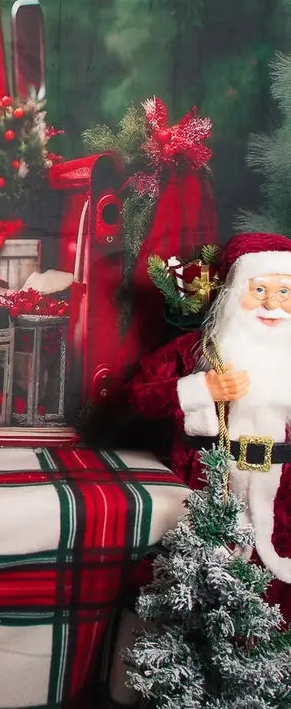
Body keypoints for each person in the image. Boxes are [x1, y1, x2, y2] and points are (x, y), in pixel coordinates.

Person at [127, 231, 291, 605]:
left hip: (282, 518)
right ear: (235, 294)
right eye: (259, 290)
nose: (272, 305)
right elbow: (138, 396)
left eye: (284, 292)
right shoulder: (198, 351)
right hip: (205, 505)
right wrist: (202, 389)